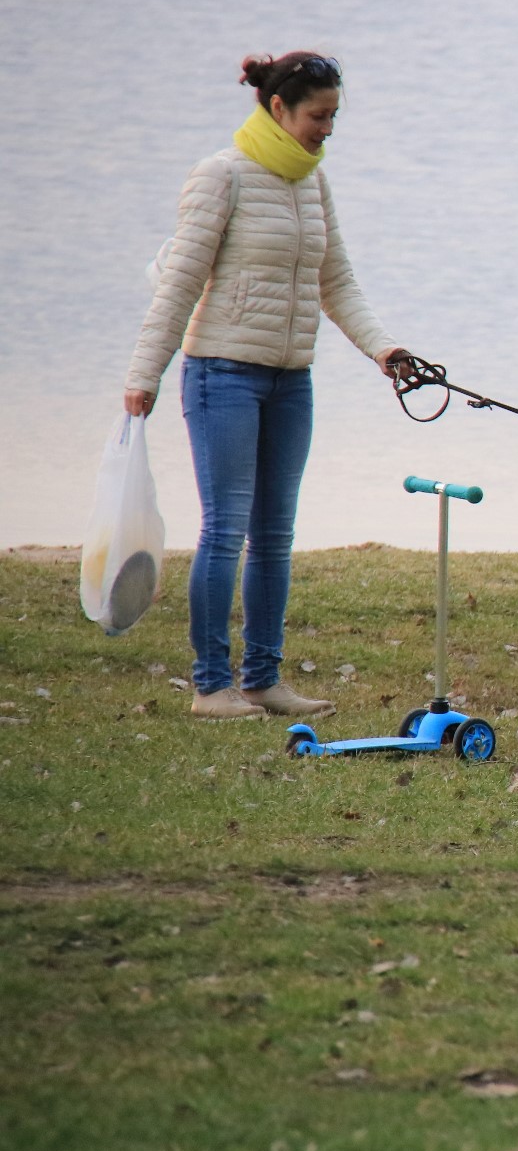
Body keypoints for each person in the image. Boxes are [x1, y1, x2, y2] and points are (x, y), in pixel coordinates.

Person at [122, 52, 416, 720]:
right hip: (221, 374)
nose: (328, 130)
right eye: (319, 116)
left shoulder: (312, 184)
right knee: (225, 528)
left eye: (335, 116)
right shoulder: (220, 176)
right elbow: (179, 283)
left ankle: (262, 678)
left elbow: (335, 280)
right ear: (279, 108)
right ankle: (209, 684)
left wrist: (384, 349)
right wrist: (145, 374)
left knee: (275, 534)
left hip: (291, 380)